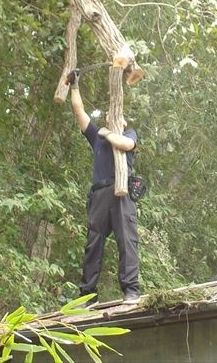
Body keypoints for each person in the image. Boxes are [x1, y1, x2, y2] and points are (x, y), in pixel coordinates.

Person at [69, 71, 141, 304]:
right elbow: (80, 112)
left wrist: (108, 132)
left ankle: (131, 290)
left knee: (126, 240)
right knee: (93, 243)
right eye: (110, 115)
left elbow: (125, 143)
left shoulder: (127, 133)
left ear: (123, 121)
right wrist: (74, 86)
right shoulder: (98, 138)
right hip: (100, 194)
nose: (112, 117)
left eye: (116, 116)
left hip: (122, 192)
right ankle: (87, 295)